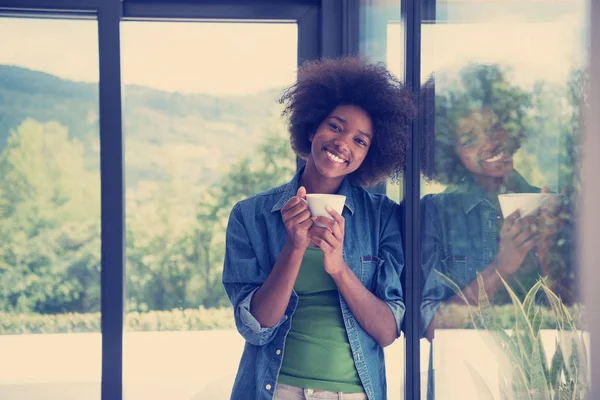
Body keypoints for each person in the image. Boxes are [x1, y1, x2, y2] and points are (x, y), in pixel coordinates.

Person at [222, 57, 415, 400]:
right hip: (275, 390)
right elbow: (257, 327)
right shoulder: (250, 216)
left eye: (360, 141)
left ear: (369, 155)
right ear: (312, 127)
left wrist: (338, 267)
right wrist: (294, 248)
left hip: (352, 394)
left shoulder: (383, 217)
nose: (343, 143)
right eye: (336, 126)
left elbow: (387, 332)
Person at [418, 66, 576, 397]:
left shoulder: (554, 207)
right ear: (450, 153)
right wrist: (502, 267)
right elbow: (433, 325)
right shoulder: (435, 213)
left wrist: (549, 253)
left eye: (495, 127)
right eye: (469, 139)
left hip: (546, 385)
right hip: (462, 382)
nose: (490, 143)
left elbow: (578, 319)